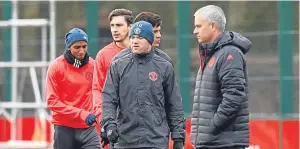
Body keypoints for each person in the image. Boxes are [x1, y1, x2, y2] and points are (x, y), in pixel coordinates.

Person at [101, 21, 186, 149]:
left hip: (156, 140)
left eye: (140, 38)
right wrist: (109, 124)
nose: (135, 41)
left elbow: (174, 104)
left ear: (150, 40)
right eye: (132, 37)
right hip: (125, 139)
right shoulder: (118, 64)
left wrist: (178, 137)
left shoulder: (164, 65)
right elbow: (108, 98)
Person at [191, 5, 251, 149]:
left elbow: (234, 96)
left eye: (198, 26)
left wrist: (213, 125)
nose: (195, 31)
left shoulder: (229, 54)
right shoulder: (211, 54)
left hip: (224, 143)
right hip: (213, 141)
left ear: (213, 26)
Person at [46, 28, 101, 149]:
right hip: (64, 127)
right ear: (69, 47)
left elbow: (100, 92)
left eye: (84, 46)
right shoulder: (56, 67)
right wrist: (81, 114)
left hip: (88, 127)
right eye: (77, 47)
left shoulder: (93, 65)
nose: (81, 51)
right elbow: (52, 102)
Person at [92, 8, 134, 148]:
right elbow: (97, 89)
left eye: (119, 25)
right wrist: (104, 119)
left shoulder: (142, 51)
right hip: (116, 125)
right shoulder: (103, 55)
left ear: (130, 26)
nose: (114, 29)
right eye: (112, 25)